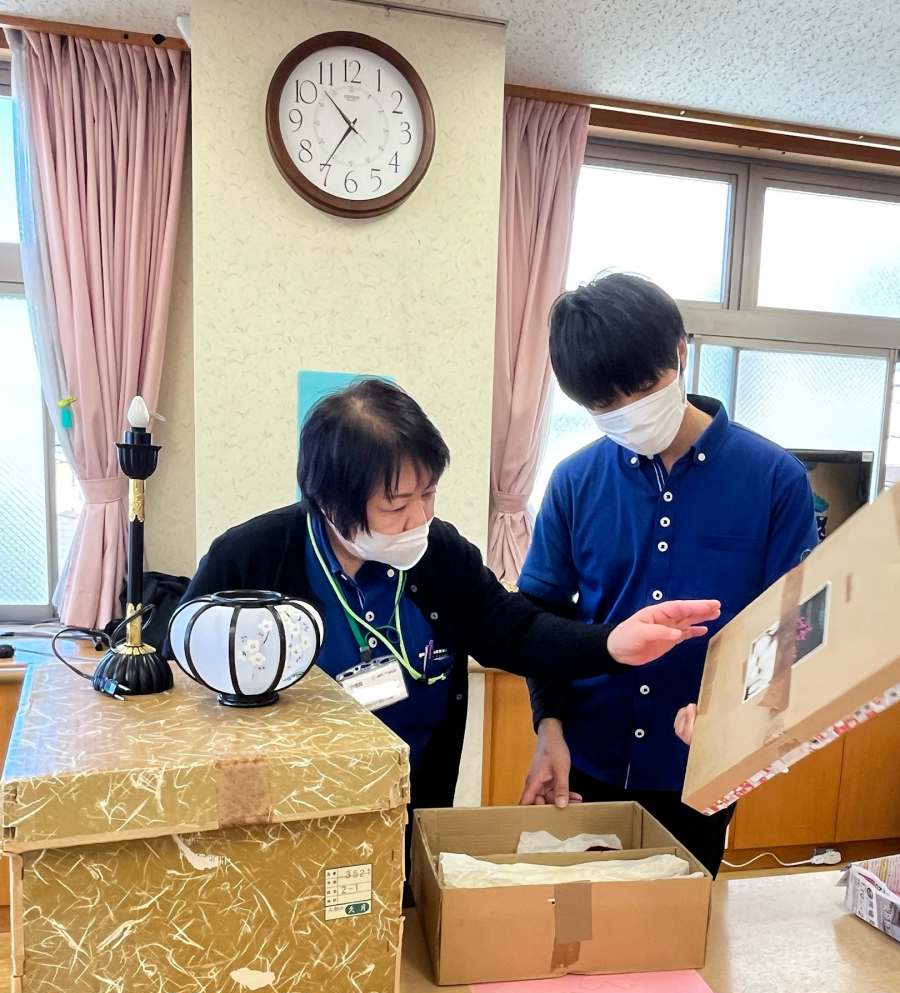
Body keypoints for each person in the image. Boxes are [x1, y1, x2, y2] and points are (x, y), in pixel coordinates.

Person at [176, 378, 719, 875]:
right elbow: (184, 682)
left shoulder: (440, 555)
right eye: (396, 505)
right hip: (287, 819)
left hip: (409, 807)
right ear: (328, 502)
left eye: (428, 494)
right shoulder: (253, 558)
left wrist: (612, 643)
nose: (419, 518)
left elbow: (516, 631)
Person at [517, 273, 818, 875]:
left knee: (680, 922)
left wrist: (737, 712)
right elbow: (541, 619)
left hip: (700, 764)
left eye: (641, 390)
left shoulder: (774, 479)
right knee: (578, 920)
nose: (626, 413)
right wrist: (549, 728)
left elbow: (798, 624)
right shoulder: (574, 481)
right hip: (588, 758)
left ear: (680, 353)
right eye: (604, 406)